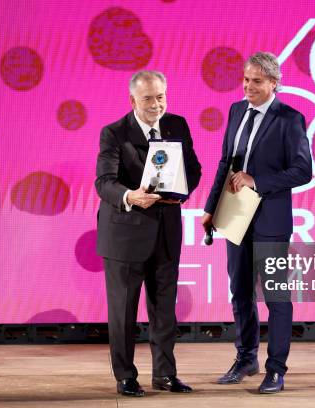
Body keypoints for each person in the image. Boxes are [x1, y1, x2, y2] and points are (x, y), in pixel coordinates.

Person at [201, 51, 312, 394]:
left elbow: (303, 170)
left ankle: (276, 369)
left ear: (274, 83)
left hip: (271, 221)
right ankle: (246, 357)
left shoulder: (290, 118)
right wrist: (210, 207)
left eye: (257, 81)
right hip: (234, 216)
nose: (248, 86)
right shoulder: (236, 110)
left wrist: (257, 179)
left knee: (277, 296)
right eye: (246, 79)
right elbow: (225, 162)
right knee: (241, 291)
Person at [95, 70, 201, 397]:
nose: (157, 105)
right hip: (125, 235)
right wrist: (131, 196)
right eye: (148, 99)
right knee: (123, 312)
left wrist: (179, 192)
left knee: (164, 310)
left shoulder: (177, 125)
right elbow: (104, 182)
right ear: (132, 101)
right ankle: (125, 376)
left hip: (166, 232)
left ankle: (165, 374)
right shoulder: (114, 133)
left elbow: (193, 169)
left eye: (161, 97)